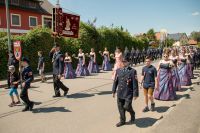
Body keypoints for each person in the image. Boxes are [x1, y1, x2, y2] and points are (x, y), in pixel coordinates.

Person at [112, 53, 139, 127]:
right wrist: (113, 91)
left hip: (128, 93)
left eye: (125, 61)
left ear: (128, 62)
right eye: (123, 61)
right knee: (120, 107)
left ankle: (132, 113)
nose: (124, 63)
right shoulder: (118, 70)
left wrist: (135, 94)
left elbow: (134, 83)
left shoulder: (132, 71)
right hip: (120, 93)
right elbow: (115, 81)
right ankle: (122, 121)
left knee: (126, 106)